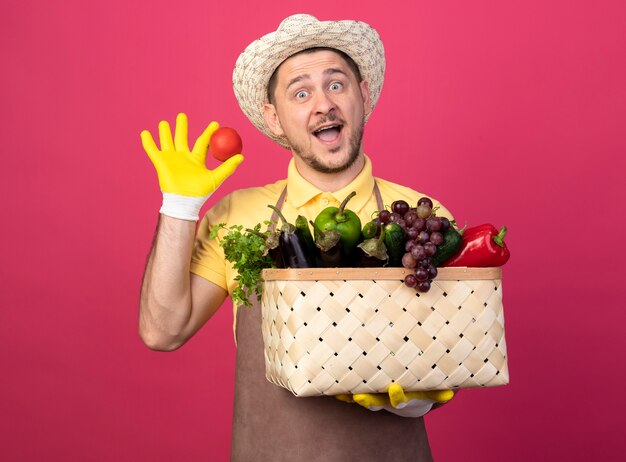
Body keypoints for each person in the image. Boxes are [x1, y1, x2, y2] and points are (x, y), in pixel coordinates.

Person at [140, 14, 455, 461]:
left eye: (337, 84)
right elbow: (162, 331)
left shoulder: (425, 218)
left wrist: (417, 396)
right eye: (300, 93)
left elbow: (457, 344)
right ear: (274, 117)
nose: (323, 104)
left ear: (362, 95)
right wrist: (179, 206)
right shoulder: (238, 215)